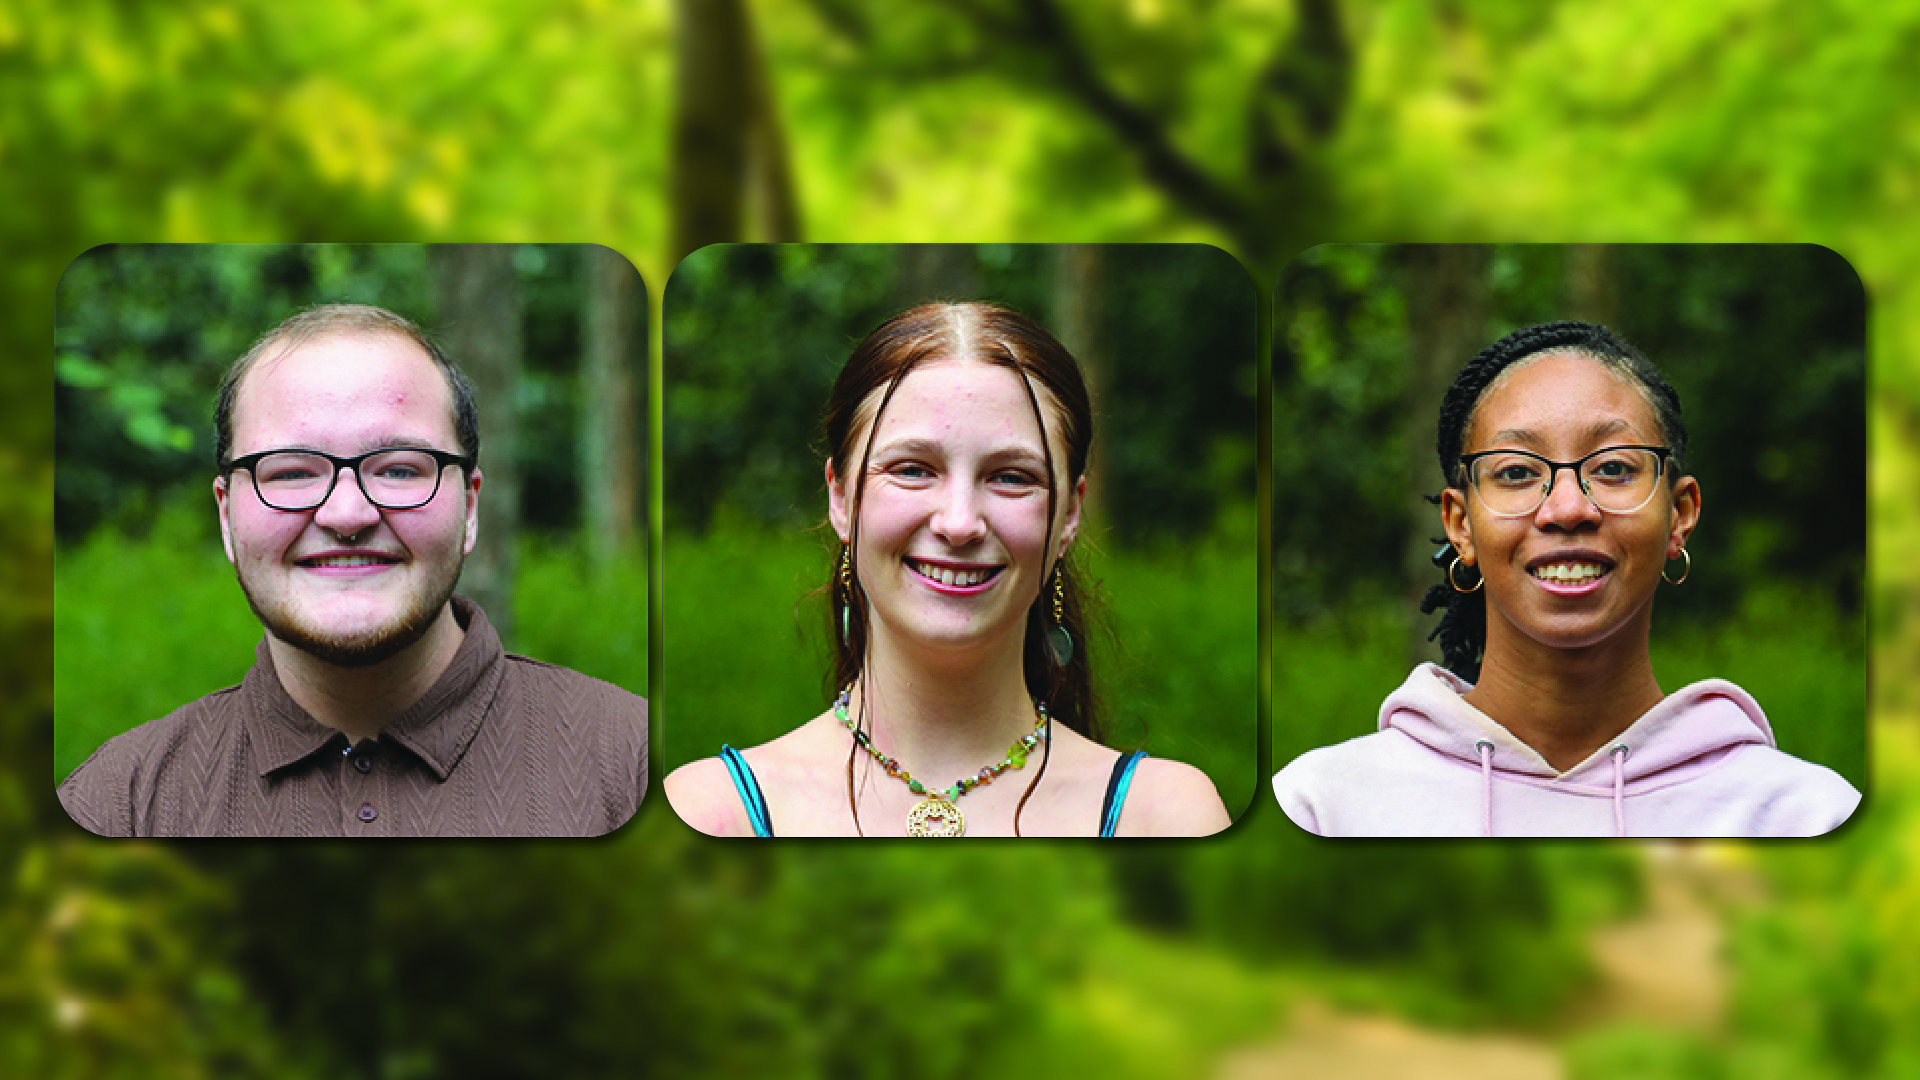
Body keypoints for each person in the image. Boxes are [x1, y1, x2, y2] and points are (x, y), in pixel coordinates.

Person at [58, 304, 648, 837]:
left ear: (469, 507)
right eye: (290, 472)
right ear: (227, 514)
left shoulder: (637, 770)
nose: (347, 513)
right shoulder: (118, 807)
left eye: (397, 470)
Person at [1273, 321, 1860, 837]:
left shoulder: (1807, 817)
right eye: (1516, 472)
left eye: (1612, 468)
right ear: (1461, 525)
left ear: (1679, 513)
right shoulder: (1323, 808)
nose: (1566, 508)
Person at [666, 302, 1231, 837]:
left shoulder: (1164, 817)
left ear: (1069, 514)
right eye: (913, 469)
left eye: (1012, 477)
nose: (960, 523)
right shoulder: (709, 815)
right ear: (841, 497)